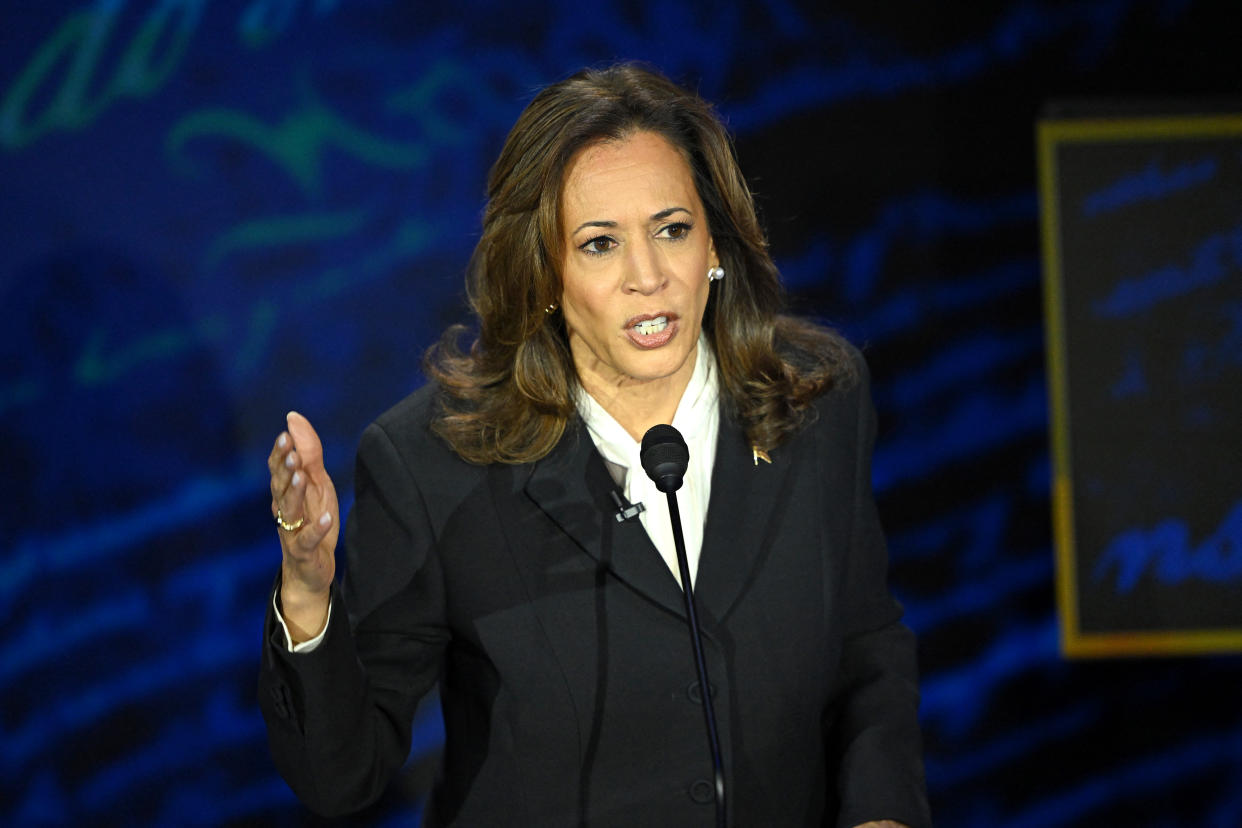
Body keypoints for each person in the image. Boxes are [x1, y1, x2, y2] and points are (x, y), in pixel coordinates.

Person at [259, 62, 931, 828]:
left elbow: (866, 642)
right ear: (545, 272)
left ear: (716, 241)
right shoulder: (433, 464)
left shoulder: (818, 398)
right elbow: (342, 777)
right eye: (600, 244)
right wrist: (309, 597)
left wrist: (883, 814)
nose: (649, 278)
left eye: (672, 230)